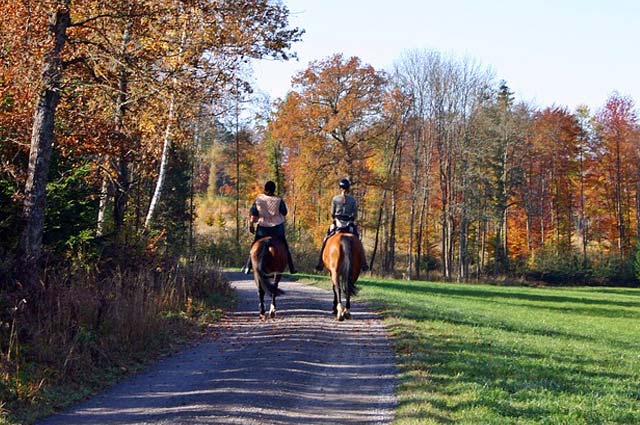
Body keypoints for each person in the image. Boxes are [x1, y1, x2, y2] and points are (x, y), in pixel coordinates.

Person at [314, 178, 369, 272]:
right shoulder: (353, 200)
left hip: (338, 223)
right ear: (348, 188)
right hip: (349, 224)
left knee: (326, 239)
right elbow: (355, 214)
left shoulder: (335, 199)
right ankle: (364, 264)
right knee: (358, 240)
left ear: (340, 188)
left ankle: (320, 263)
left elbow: (332, 213)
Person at [242, 181, 296, 274]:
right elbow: (284, 212)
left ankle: (248, 266)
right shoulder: (279, 200)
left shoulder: (259, 199)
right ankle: (291, 267)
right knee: (285, 247)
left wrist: (251, 225)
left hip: (263, 228)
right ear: (274, 189)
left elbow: (253, 213)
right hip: (277, 228)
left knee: (254, 245)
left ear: (265, 189)